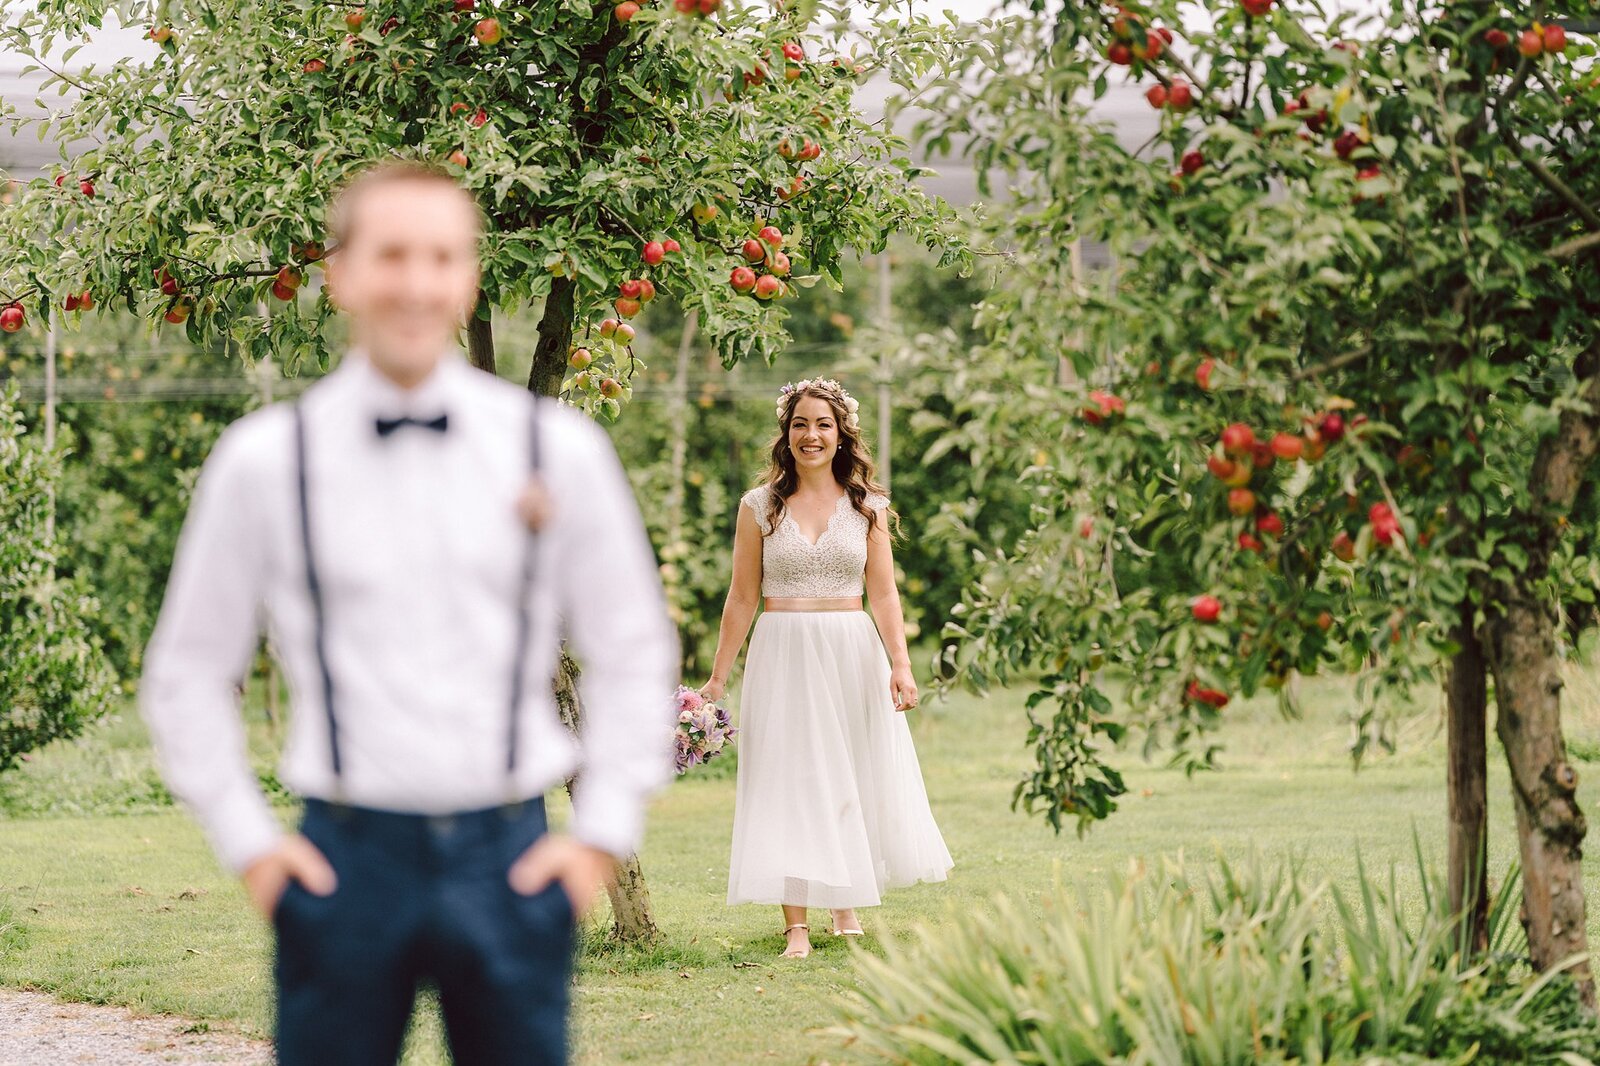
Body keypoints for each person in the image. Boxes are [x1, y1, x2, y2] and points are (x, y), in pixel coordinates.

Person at [139, 159, 679, 1065]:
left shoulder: (558, 448)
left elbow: (632, 648)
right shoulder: (266, 461)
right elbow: (189, 671)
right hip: (343, 861)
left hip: (511, 854)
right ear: (340, 273)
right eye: (392, 255)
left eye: (442, 257)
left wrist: (599, 838)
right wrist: (251, 847)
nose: (417, 283)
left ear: (469, 277)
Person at [702, 378, 953, 959]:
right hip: (783, 648)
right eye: (799, 425)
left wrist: (901, 664)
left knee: (848, 772)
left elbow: (884, 594)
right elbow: (741, 598)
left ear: (842, 435)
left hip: (849, 647)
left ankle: (845, 903)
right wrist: (718, 677)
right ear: (785, 434)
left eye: (822, 425)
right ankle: (796, 924)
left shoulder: (869, 506)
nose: (810, 436)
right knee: (789, 775)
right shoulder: (757, 506)